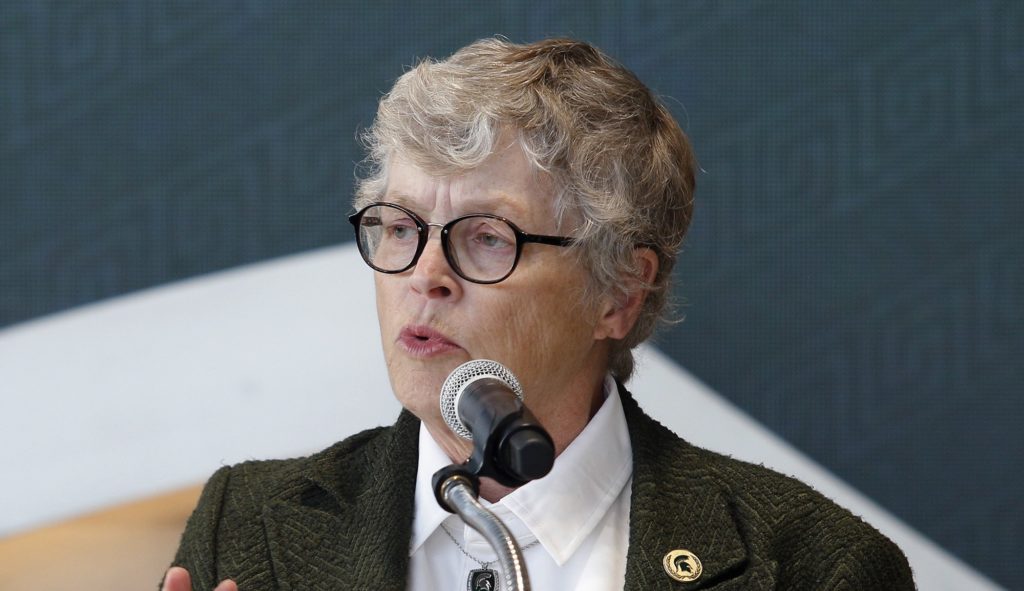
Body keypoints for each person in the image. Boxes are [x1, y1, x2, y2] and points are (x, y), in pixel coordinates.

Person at [163, 37, 914, 590]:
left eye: (487, 238)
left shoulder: (815, 564)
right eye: (399, 226)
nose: (425, 276)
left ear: (619, 291)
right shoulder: (250, 524)